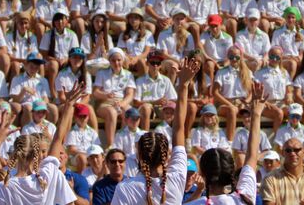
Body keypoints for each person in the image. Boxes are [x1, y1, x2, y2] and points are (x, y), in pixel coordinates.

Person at [111, 57, 201, 204]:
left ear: (138, 156)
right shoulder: (177, 177)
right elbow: (179, 128)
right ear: (166, 157)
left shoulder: (125, 188)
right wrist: (184, 85)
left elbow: (178, 129)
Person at [185, 82, 265, 205]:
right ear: (231, 172)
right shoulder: (245, 197)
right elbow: (252, 157)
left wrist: (182, 89)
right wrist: (256, 114)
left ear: (203, 174)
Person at [261, 137, 304, 204]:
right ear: (283, 153)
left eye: (297, 150)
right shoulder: (270, 179)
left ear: (303, 152)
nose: (292, 153)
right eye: (288, 150)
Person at [93, 48, 136, 147]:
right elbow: (95, 92)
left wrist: (122, 104)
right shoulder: (102, 73)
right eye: (113, 60)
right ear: (109, 61)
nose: (116, 63)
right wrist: (105, 95)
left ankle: (123, 144)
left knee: (129, 112)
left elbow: (130, 94)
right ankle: (110, 145)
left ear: (122, 60)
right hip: (104, 103)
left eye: (119, 60)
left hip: (121, 102)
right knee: (112, 112)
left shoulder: (128, 75)